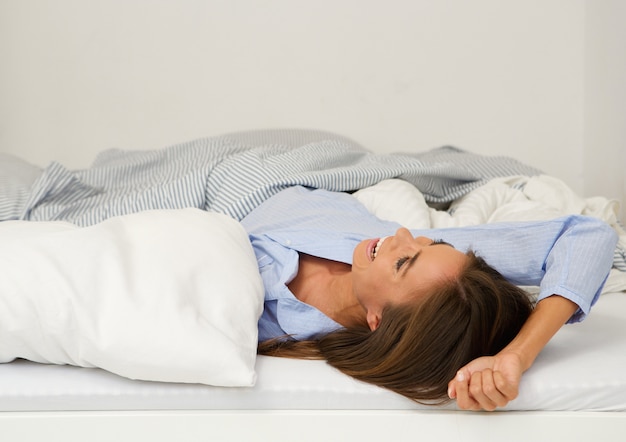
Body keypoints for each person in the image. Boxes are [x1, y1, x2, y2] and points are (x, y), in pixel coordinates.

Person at [240, 185, 618, 411]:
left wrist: (511, 359)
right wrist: (520, 352)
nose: (403, 233)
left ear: (379, 320)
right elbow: (588, 236)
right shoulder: (445, 271)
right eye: (431, 243)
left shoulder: (254, 317)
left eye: (403, 262)